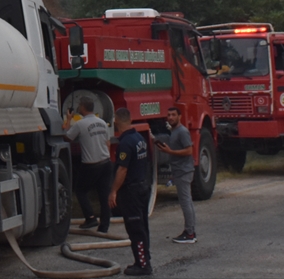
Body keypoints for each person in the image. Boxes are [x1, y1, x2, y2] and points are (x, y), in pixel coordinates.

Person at [108, 108, 151, 276]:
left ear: (116, 121)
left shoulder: (125, 143)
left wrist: (113, 191)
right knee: (142, 226)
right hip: (142, 187)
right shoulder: (139, 138)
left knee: (135, 229)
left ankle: (143, 265)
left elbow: (122, 170)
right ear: (131, 119)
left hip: (131, 191)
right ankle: (144, 259)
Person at [63, 97, 113, 232]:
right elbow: (108, 143)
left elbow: (66, 137)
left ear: (83, 108)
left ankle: (90, 218)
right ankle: (104, 226)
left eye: (80, 105)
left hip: (91, 165)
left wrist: (68, 120)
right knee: (104, 194)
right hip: (106, 162)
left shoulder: (80, 124)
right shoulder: (102, 123)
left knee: (80, 191)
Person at [154, 106, 196, 244]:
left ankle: (190, 234)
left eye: (173, 115)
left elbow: (189, 151)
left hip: (184, 171)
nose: (170, 117)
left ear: (180, 116)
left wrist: (170, 152)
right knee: (187, 201)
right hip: (179, 171)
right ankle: (190, 231)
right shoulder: (174, 131)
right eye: (169, 115)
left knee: (185, 202)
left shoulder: (182, 131)